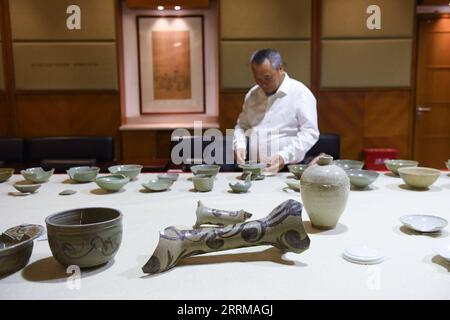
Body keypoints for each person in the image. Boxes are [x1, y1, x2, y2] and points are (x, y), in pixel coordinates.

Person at [233, 48, 320, 173]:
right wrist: (239, 145)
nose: (263, 84)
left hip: (288, 168)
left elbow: (310, 132)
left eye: (267, 78)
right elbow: (241, 126)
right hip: (254, 167)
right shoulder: (252, 95)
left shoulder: (300, 94)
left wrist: (284, 156)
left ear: (280, 68)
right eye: (258, 79)